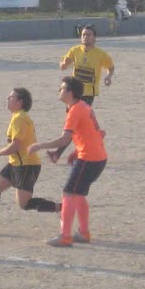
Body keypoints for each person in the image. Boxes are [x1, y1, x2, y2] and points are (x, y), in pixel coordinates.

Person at [28, 77, 108, 249]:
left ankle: (65, 237)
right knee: (78, 194)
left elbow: (64, 139)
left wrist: (40, 145)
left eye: (63, 88)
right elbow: (99, 133)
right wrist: (77, 151)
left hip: (89, 158)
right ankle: (84, 233)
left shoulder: (75, 110)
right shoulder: (84, 107)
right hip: (97, 157)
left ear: (71, 92)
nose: (59, 90)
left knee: (69, 193)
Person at [0, 87, 58, 236]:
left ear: (20, 102)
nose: (7, 99)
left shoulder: (20, 119)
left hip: (27, 165)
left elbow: (15, 146)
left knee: (24, 204)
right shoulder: (17, 116)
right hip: (16, 163)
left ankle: (61, 208)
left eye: (11, 97)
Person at [59, 24, 115, 107]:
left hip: (88, 93)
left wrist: (108, 76)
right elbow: (62, 67)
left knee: (79, 113)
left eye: (88, 35)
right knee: (72, 113)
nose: (85, 37)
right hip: (74, 90)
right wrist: (64, 64)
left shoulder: (101, 54)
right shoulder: (74, 50)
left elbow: (111, 67)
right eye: (83, 35)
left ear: (94, 38)